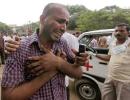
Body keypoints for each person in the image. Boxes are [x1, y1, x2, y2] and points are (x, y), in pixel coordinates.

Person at [1, 3, 88, 100]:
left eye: (66, 23)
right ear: (43, 19)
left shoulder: (63, 43)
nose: (64, 28)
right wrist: (49, 73)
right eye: (60, 21)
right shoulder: (19, 48)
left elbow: (78, 74)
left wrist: (58, 62)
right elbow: (7, 96)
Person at [90, 23, 130, 100]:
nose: (118, 33)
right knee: (106, 97)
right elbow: (109, 57)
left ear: (128, 33)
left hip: (125, 81)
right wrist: (94, 54)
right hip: (110, 78)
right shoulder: (113, 44)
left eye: (122, 31)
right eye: (116, 31)